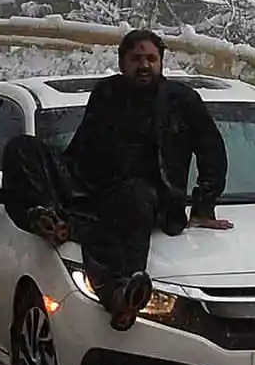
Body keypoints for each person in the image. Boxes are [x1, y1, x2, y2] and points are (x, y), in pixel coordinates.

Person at [59, 28, 231, 329]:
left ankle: (124, 292)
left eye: (151, 58)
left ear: (161, 63)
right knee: (23, 150)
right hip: (99, 195)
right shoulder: (105, 95)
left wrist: (203, 206)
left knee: (136, 196)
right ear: (122, 62)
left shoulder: (182, 101)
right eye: (136, 58)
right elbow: (81, 149)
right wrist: (63, 189)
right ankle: (48, 221)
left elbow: (212, 152)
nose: (144, 65)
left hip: (155, 201)